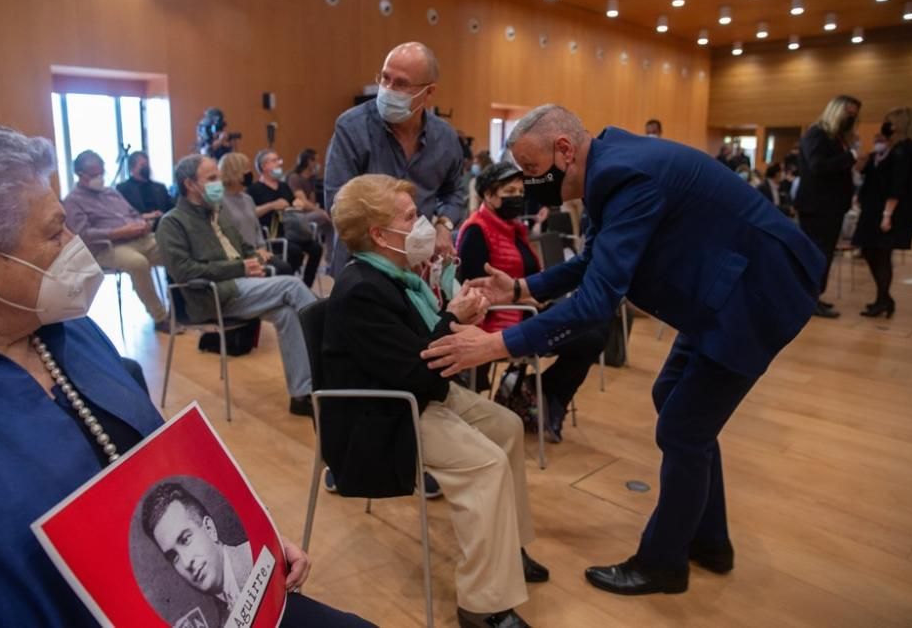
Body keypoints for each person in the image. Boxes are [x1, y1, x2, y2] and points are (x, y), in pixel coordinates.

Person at [421, 105, 825, 596]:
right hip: (726, 286)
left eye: (531, 171)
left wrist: (495, 343)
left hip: (756, 292)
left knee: (684, 427)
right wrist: (523, 289)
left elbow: (595, 302)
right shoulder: (608, 165)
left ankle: (663, 563)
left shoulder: (623, 175)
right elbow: (595, 259)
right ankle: (708, 537)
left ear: (564, 151)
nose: (528, 185)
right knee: (673, 399)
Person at [0, 124, 165, 624]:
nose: (76, 244)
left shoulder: (62, 326)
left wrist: (247, 539)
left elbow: (162, 459)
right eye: (55, 232)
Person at [324, 175, 547, 628]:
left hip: (415, 395)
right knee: (485, 464)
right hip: (382, 414)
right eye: (410, 218)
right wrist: (451, 318)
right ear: (379, 235)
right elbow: (416, 371)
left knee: (504, 427)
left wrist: (454, 312)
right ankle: (482, 606)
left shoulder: (400, 277)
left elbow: (423, 359)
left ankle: (507, 552)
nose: (424, 225)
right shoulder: (363, 290)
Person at [457, 162, 608, 442]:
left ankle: (541, 393)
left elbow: (529, 276)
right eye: (509, 190)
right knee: (588, 338)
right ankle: (544, 397)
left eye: (520, 190)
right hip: (501, 320)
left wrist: (530, 295)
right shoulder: (476, 231)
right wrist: (526, 298)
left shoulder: (514, 229)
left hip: (527, 309)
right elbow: (475, 290)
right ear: (489, 195)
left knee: (598, 327)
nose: (517, 196)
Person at [156, 155, 316, 416]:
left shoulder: (217, 214)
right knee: (292, 286)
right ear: (189, 184)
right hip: (211, 295)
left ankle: (301, 395)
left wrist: (254, 260)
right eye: (211, 179)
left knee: (287, 313)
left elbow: (243, 248)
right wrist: (240, 267)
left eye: (217, 177)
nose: (219, 183)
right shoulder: (172, 222)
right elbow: (184, 271)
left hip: (241, 286)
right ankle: (337, 354)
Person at [141, 482, 374, 627]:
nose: (187, 562)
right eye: (173, 556)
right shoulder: (219, 618)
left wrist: (270, 540)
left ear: (210, 529)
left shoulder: (252, 562)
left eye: (186, 539)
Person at [324, 41, 466, 276]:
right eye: (385, 78)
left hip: (419, 265)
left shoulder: (446, 138)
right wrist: (392, 245)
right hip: (361, 265)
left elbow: (454, 193)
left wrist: (444, 225)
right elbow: (338, 205)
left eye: (401, 84)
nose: (388, 89)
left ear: (428, 92)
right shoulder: (352, 127)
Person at [63, 150, 173, 332]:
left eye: (101, 172)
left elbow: (133, 213)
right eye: (94, 174)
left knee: (174, 248)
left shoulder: (111, 193)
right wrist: (118, 232)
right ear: (80, 175)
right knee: (138, 263)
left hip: (140, 238)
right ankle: (160, 317)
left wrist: (141, 223)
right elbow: (83, 234)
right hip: (107, 247)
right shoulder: (73, 201)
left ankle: (183, 307)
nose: (99, 177)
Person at [795, 94, 863, 319]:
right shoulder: (817, 133)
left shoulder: (836, 138)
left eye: (854, 115)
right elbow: (817, 166)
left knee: (824, 256)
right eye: (848, 113)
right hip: (817, 208)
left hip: (831, 208)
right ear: (836, 111)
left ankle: (815, 297)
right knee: (816, 255)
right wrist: (850, 157)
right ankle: (808, 299)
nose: (851, 118)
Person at [852, 108, 912, 318]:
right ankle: (885, 299)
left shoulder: (904, 150)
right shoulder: (889, 149)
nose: (886, 126)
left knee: (882, 254)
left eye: (890, 122)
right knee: (870, 251)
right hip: (874, 209)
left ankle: (882, 300)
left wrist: (887, 215)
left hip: (889, 212)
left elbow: (898, 185)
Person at [248, 149, 322, 288]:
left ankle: (305, 286)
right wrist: (271, 206)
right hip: (273, 234)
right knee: (295, 252)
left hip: (293, 230)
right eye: (274, 160)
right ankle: (288, 285)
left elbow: (294, 201)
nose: (279, 163)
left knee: (316, 249)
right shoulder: (254, 189)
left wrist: (297, 203)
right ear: (264, 166)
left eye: (278, 160)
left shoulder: (283, 186)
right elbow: (252, 213)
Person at [218, 152, 293, 276]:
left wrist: (262, 248)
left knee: (285, 268)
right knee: (278, 271)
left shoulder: (248, 199)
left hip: (257, 252)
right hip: (239, 256)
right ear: (234, 172)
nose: (249, 172)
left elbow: (257, 228)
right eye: (245, 169)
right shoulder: (220, 202)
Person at [287, 148, 334, 260]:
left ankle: (330, 257)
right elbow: (303, 202)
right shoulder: (294, 178)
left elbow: (312, 201)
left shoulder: (311, 179)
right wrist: (320, 211)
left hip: (310, 213)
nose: (318, 164)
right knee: (325, 215)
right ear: (309, 161)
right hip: (298, 216)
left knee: (330, 224)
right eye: (316, 161)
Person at [117, 150, 174, 228]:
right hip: (137, 228)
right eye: (142, 165)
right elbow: (123, 214)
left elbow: (171, 208)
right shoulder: (122, 189)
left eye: (147, 164)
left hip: (163, 226)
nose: (146, 168)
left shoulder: (160, 187)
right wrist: (147, 216)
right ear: (132, 168)